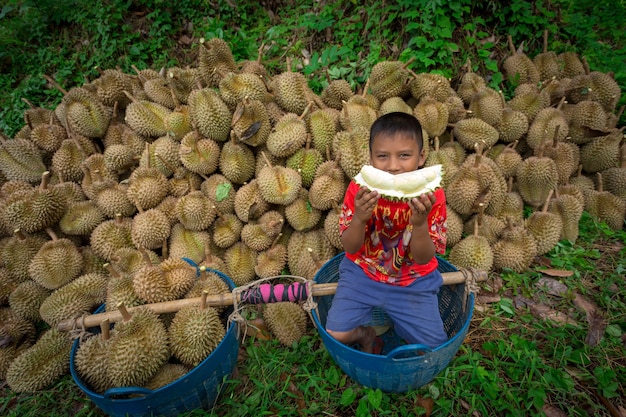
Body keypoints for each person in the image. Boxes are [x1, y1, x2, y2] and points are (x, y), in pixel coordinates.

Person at [325, 111, 448, 354]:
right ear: (370, 158)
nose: (393, 166)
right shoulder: (359, 191)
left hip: (414, 280)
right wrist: (360, 216)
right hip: (363, 272)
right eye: (382, 156)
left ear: (421, 157)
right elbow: (349, 247)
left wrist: (420, 223)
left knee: (435, 348)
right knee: (336, 335)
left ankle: (404, 325)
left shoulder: (431, 197)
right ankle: (366, 333)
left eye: (404, 156)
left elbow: (424, 258)